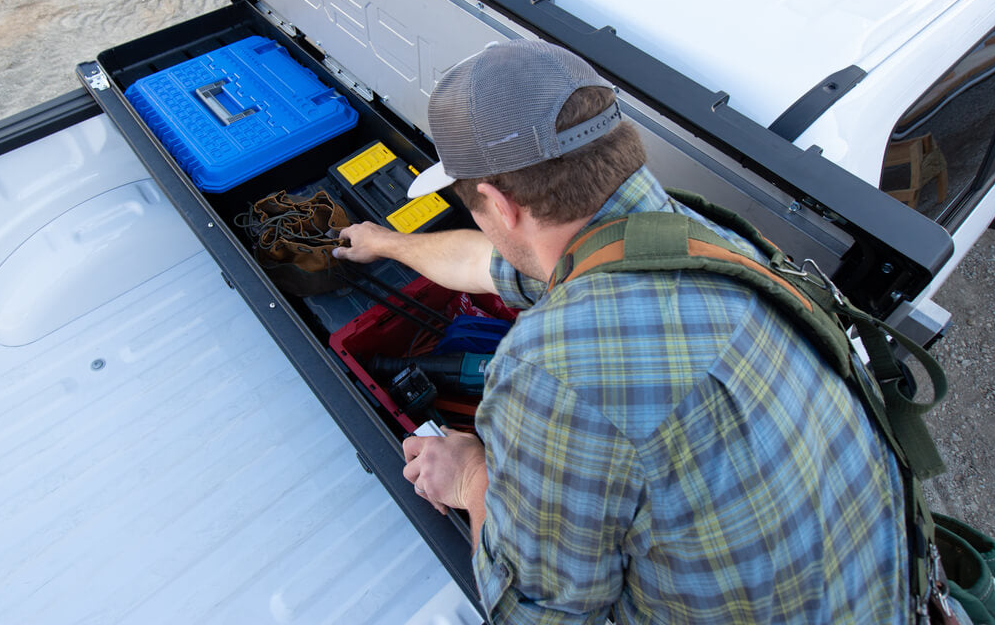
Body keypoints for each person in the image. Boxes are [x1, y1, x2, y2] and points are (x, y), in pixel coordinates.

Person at [334, 40, 908, 624]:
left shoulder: (550, 374)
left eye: (469, 204)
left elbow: (533, 617)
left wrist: (472, 478)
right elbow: (488, 263)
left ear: (498, 204)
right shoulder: (696, 237)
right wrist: (387, 244)